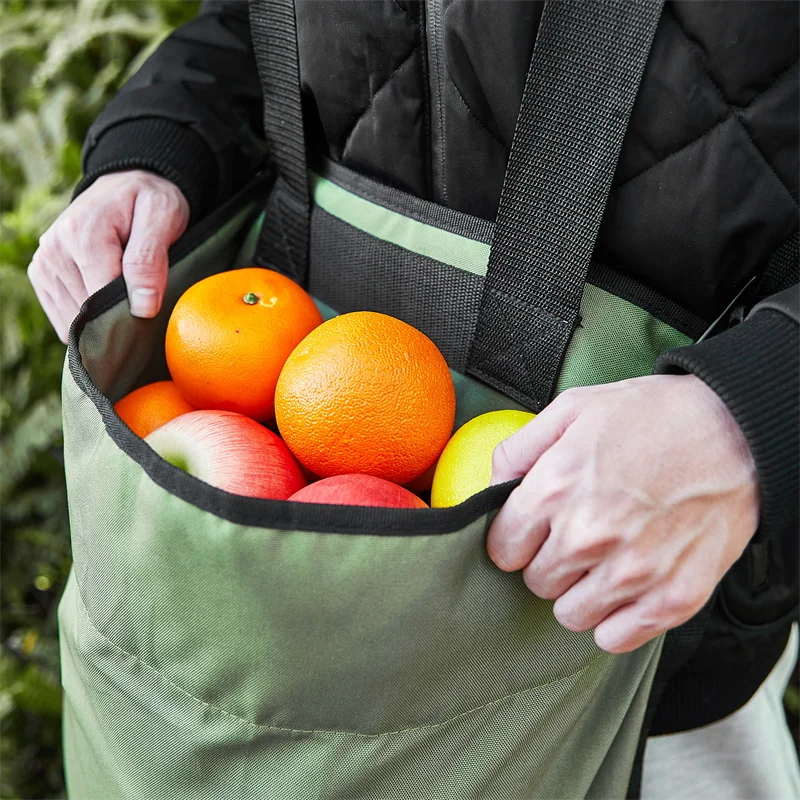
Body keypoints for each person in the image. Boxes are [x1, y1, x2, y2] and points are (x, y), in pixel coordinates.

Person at [29, 1, 798, 796]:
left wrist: (752, 415)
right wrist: (158, 142)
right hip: (279, 434)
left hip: (643, 629)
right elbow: (252, 21)